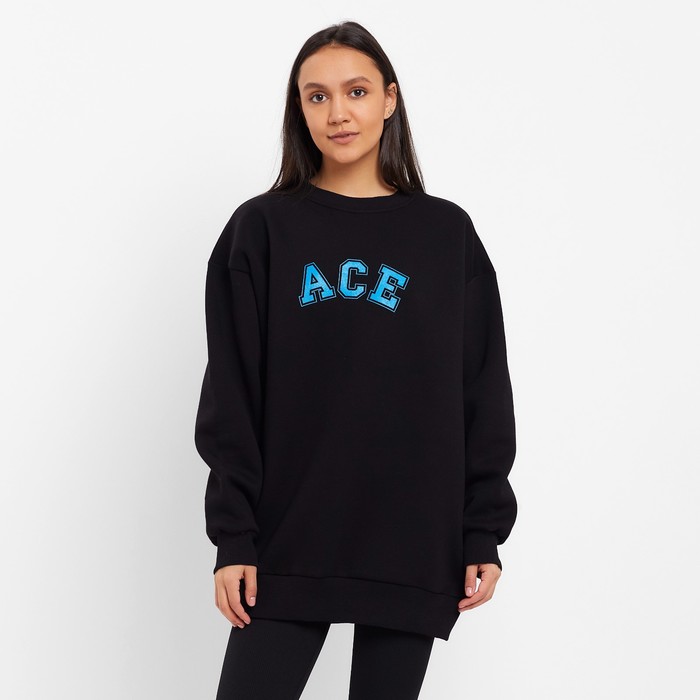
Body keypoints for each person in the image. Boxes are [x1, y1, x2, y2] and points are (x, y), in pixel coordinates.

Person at [194, 20, 518, 700]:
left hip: (414, 535)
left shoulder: (445, 234)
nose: (337, 112)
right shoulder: (261, 230)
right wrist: (235, 537)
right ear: (299, 109)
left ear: (390, 99)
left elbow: (482, 391)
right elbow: (231, 393)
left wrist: (481, 530)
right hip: (289, 533)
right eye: (317, 96)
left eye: (357, 91)